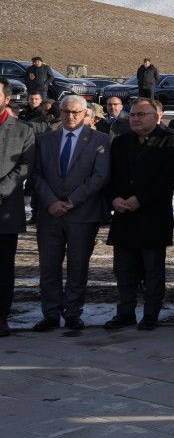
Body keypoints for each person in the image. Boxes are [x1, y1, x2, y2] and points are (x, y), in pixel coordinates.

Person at [30, 95, 112, 331]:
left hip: (82, 214)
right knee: (49, 267)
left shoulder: (100, 140)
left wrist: (71, 201)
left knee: (78, 267)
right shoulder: (45, 140)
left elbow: (100, 176)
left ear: (86, 113)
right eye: (66, 111)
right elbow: (36, 174)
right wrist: (50, 202)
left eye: (76, 112)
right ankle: (51, 314)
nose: (70, 116)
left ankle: (73, 313)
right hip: (50, 214)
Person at [102, 98, 174, 331]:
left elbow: (168, 178)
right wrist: (114, 198)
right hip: (124, 215)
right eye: (133, 115)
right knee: (124, 270)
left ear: (156, 117)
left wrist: (140, 199)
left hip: (153, 216)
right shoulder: (121, 142)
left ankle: (150, 314)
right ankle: (125, 312)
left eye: (141, 115)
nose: (135, 119)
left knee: (153, 270)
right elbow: (111, 176)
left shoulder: (170, 140)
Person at [0, 80, 35, 337]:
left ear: (6, 98)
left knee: (2, 267)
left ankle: (1, 316)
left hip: (4, 209)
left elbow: (25, 166)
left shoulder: (22, 130)